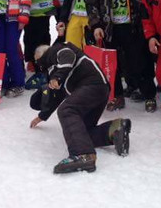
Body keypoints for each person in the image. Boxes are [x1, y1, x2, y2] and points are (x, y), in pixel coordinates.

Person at [29, 42, 132, 173]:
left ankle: (83, 155)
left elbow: (68, 55)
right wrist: (41, 116)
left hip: (91, 84)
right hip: (98, 90)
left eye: (38, 61)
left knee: (67, 110)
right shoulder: (56, 69)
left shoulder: (57, 50)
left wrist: (57, 77)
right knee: (81, 133)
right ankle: (114, 130)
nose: (39, 65)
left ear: (41, 56)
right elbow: (57, 97)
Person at [86, 0, 156, 112]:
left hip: (132, 26)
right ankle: (116, 96)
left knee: (139, 62)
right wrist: (96, 25)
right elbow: (92, 4)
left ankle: (149, 95)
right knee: (113, 64)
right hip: (111, 28)